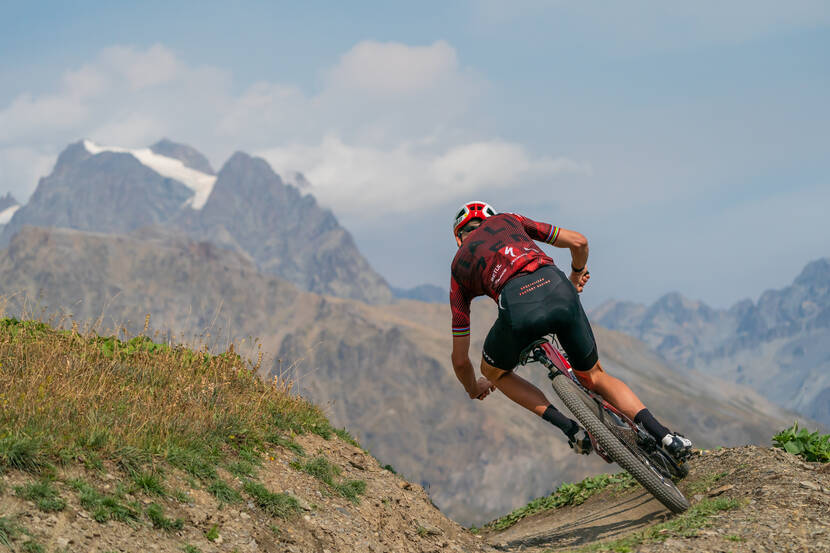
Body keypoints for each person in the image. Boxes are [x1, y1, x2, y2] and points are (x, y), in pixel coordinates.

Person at [449, 200, 692, 460]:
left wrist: (473, 387)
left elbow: (461, 360)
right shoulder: (509, 220)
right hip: (558, 288)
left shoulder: (459, 266)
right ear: (490, 220)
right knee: (596, 376)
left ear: (459, 238)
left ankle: (570, 429)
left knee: (493, 372)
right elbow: (579, 242)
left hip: (518, 310)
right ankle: (666, 437)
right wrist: (575, 276)